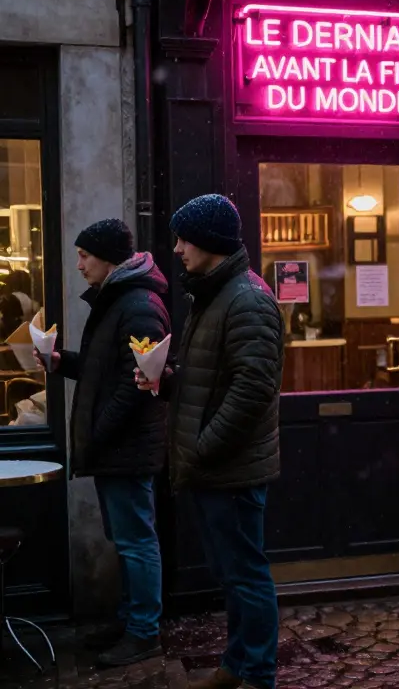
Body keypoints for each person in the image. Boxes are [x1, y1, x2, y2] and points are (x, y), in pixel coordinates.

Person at [137, 194, 284, 689]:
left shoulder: (247, 298)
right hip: (214, 466)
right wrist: (166, 380)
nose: (177, 248)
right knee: (234, 578)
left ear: (211, 242)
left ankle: (259, 674)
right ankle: (237, 665)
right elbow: (215, 379)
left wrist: (203, 446)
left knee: (246, 576)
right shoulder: (214, 293)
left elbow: (252, 390)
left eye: (184, 239)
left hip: (230, 469)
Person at [48, 219, 169, 667]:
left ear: (108, 258)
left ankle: (143, 632)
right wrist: (61, 361)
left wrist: (98, 432)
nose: (78, 264)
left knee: (136, 540)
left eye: (84, 255)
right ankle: (129, 620)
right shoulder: (119, 300)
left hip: (127, 448)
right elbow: (106, 370)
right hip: (118, 446)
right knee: (126, 539)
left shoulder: (137, 305)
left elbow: (137, 384)